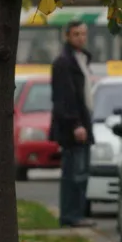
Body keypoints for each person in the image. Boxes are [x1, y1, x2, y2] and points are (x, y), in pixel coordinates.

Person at [50, 21, 96, 227]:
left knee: (82, 173)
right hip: (73, 128)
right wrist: (76, 124)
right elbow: (64, 98)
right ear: (67, 36)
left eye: (83, 34)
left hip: (84, 124)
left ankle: (77, 215)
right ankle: (70, 216)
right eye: (76, 34)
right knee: (73, 174)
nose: (81, 38)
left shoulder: (82, 59)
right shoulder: (64, 62)